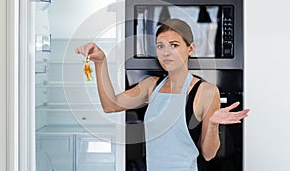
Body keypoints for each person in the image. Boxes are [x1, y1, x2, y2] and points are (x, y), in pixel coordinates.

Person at [75, 18, 250, 171]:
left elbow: (209, 154)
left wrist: (212, 125)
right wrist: (100, 62)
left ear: (190, 49)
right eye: (160, 46)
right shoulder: (151, 86)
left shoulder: (206, 91)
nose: (166, 52)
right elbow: (110, 105)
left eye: (174, 45)